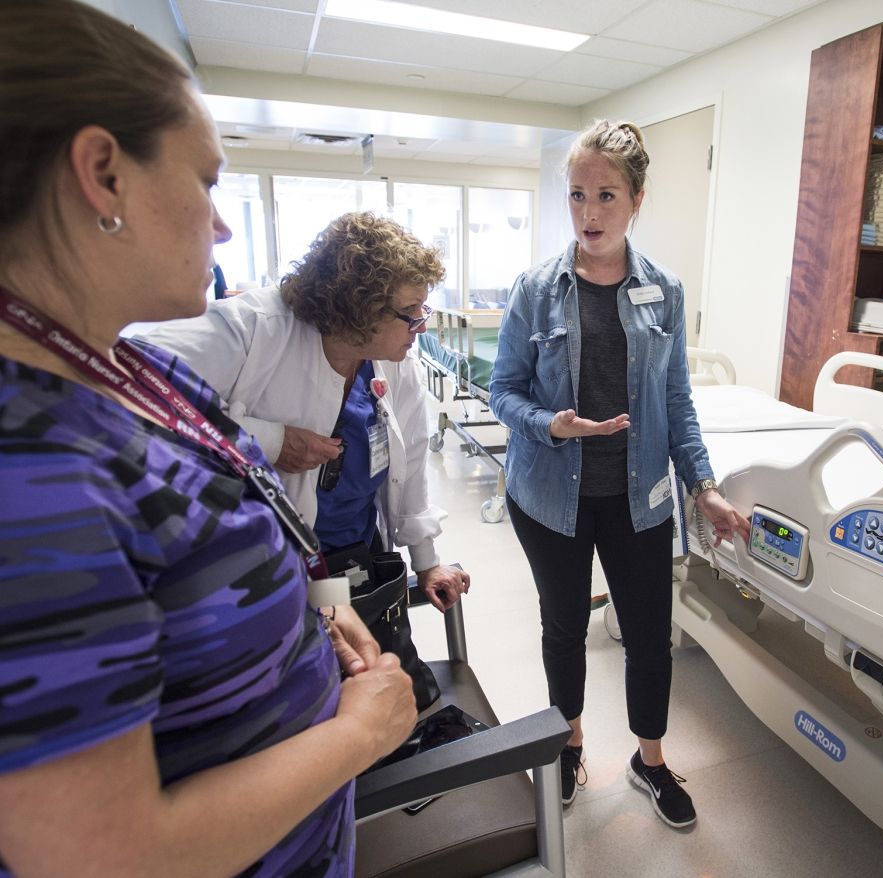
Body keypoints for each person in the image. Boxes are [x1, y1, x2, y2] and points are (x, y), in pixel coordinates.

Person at [0, 3, 417, 876]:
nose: (223, 228)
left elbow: (243, 511)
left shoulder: (135, 373)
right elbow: (104, 859)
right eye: (206, 180)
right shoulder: (29, 476)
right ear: (104, 176)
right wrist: (360, 735)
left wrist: (319, 604)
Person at [489, 119, 751, 829]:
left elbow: (677, 401)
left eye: (606, 195)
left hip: (639, 498)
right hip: (551, 495)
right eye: (577, 195)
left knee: (648, 633)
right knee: (564, 627)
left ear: (637, 199)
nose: (589, 213)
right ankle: (570, 746)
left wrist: (704, 487)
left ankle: (651, 760)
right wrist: (550, 424)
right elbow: (502, 390)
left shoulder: (663, 291)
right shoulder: (535, 290)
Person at [144, 212, 471, 613]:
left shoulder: (396, 360)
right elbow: (132, 387)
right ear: (360, 309)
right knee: (313, 643)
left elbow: (413, 459)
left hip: (352, 552)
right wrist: (269, 442)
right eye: (410, 310)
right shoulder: (254, 328)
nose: (421, 326)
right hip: (262, 564)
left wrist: (427, 562)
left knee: (356, 639)